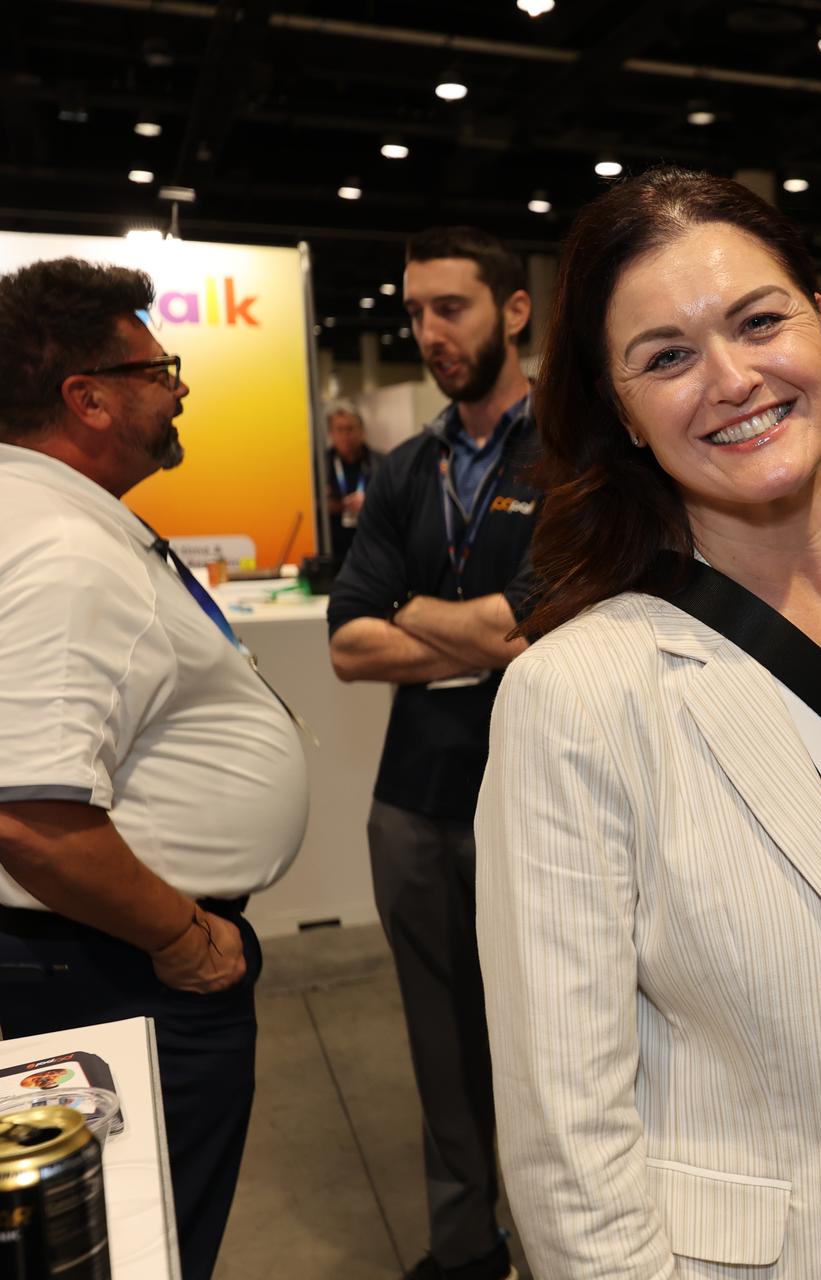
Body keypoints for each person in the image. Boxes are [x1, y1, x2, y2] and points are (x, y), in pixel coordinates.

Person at [472, 166, 821, 1279]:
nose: (732, 378)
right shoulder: (579, 691)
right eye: (667, 355)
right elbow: (561, 1132)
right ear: (622, 409)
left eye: (758, 319)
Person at [0, 258, 308, 1280]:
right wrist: (190, 944)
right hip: (106, 968)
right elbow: (28, 816)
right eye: (156, 366)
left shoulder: (49, 518)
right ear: (85, 398)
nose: (179, 387)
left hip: (88, 958)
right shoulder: (62, 547)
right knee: (126, 1248)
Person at [327, 225, 542, 1280]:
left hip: (545, 800)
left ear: (513, 309)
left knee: (560, 1039)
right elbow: (346, 643)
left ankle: (569, 1246)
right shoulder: (409, 466)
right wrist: (469, 626)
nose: (427, 332)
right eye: (414, 311)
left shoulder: (582, 457)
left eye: (448, 307)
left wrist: (412, 608)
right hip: (412, 801)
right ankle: (466, 1250)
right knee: (443, 1042)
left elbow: (533, 629)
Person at [322, 403, 383, 564]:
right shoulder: (318, 467)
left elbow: (395, 503)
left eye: (350, 429)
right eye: (339, 430)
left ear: (361, 431)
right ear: (331, 434)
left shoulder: (381, 463)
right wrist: (328, 505)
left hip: (372, 549)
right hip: (332, 552)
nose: (345, 435)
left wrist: (370, 503)